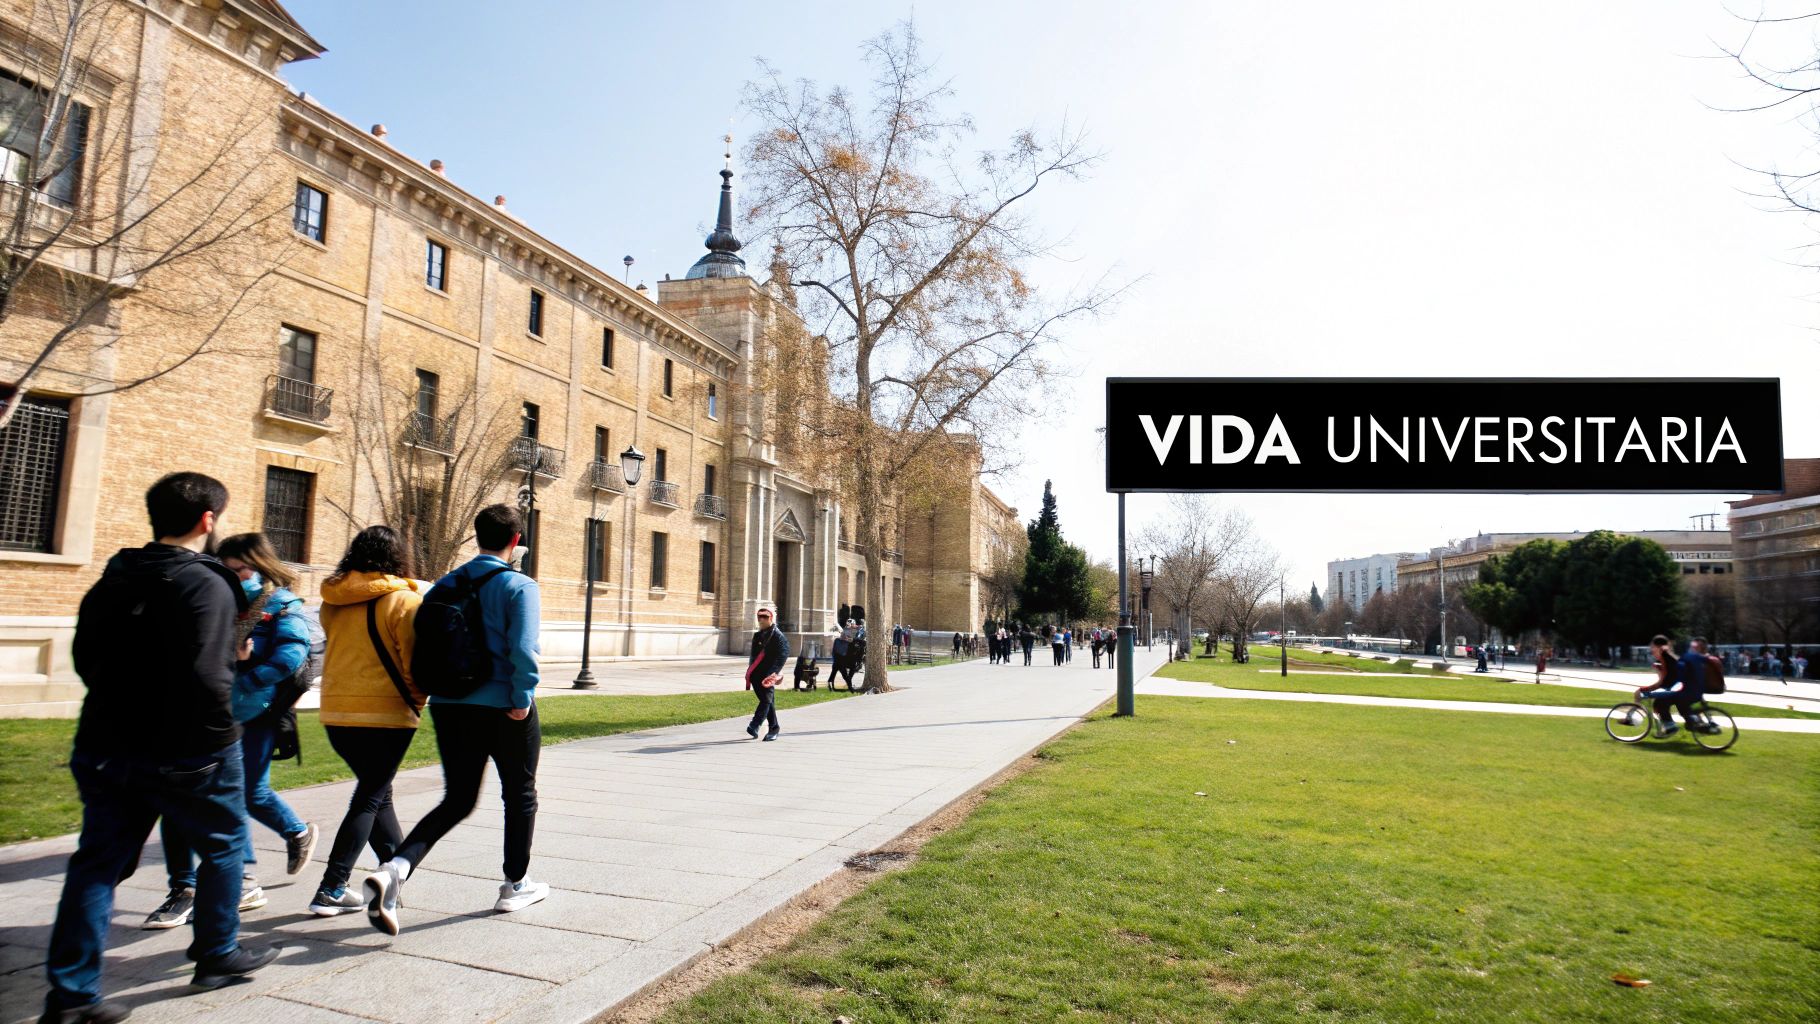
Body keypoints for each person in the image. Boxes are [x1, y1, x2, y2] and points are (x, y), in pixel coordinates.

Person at [45, 473, 279, 1023]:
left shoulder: (116, 575)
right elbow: (207, 673)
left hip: (106, 741)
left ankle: (72, 994)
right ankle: (217, 953)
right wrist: (221, 733)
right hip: (189, 748)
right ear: (208, 520)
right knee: (223, 844)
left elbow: (86, 657)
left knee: (97, 863)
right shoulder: (208, 582)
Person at [363, 505, 545, 936]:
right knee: (519, 794)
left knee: (457, 799)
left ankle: (396, 868)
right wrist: (521, 698)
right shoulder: (519, 585)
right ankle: (515, 884)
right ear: (515, 541)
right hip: (505, 704)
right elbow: (524, 649)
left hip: (449, 704)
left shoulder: (443, 585)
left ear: (475, 536)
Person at [305, 526, 426, 917]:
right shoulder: (405, 601)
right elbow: (414, 661)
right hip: (385, 713)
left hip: (336, 712)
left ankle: (393, 877)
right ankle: (332, 886)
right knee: (370, 796)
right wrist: (418, 699)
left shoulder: (331, 601)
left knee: (378, 793)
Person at [745, 605, 790, 740]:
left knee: (766, 700)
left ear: (771, 618)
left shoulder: (778, 636)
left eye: (765, 617)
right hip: (756, 675)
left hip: (768, 675)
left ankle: (755, 725)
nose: (762, 620)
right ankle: (774, 727)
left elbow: (783, 654)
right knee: (768, 701)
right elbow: (753, 656)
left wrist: (773, 673)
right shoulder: (758, 635)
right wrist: (750, 672)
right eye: (759, 617)